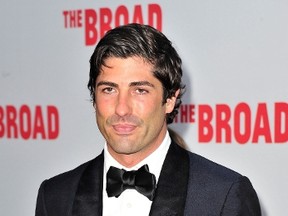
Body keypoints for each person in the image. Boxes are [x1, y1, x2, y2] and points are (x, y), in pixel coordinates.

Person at [35, 23, 261, 216]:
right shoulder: (54, 196)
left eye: (140, 90)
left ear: (170, 100)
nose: (122, 108)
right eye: (109, 89)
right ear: (94, 98)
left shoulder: (224, 195)